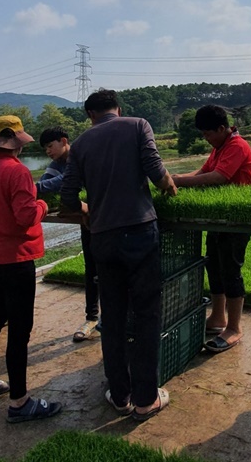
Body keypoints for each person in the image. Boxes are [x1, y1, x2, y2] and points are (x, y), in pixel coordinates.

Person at [60, 89, 177, 422]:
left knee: (112, 317)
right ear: (118, 109)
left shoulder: (80, 144)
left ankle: (121, 396)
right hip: (140, 232)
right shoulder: (138, 125)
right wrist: (169, 186)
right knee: (146, 315)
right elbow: (156, 171)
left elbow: (68, 196)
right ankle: (146, 400)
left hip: (103, 238)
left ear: (90, 115)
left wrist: (89, 209)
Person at [0, 115, 63, 423]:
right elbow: (25, 216)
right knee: (20, 331)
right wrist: (44, 205)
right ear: (18, 143)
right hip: (15, 259)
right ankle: (20, 402)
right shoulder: (17, 172)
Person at [171, 105, 251, 354]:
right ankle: (218, 318)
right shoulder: (220, 147)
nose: (205, 138)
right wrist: (173, 177)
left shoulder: (237, 146)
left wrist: (178, 181)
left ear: (222, 128)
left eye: (207, 133)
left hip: (238, 218)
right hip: (219, 217)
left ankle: (235, 327)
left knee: (231, 269)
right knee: (214, 264)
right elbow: (204, 171)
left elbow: (219, 177)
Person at [36, 126, 98, 342]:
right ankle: (92, 318)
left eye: (50, 146)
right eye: (45, 148)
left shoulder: (80, 157)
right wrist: (38, 188)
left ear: (64, 141)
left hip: (104, 215)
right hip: (87, 217)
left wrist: (32, 187)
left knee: (110, 268)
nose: (48, 151)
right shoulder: (57, 164)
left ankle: (113, 317)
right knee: (91, 267)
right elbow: (48, 183)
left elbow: (64, 182)